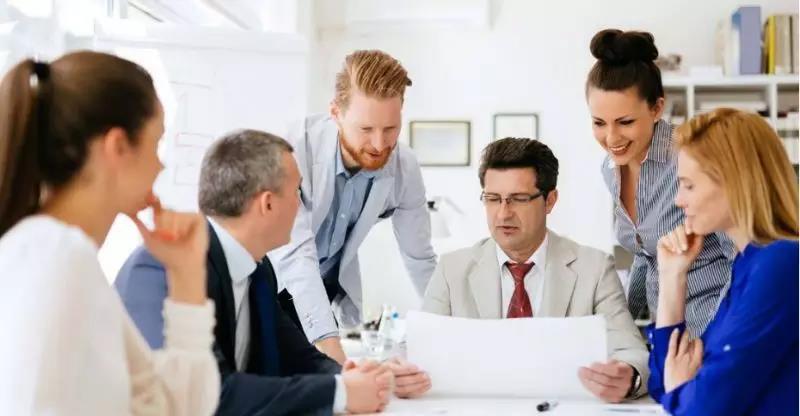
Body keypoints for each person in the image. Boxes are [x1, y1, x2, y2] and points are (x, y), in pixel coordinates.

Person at [117, 130, 430, 415]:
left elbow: (297, 356)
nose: (301, 206)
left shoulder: (259, 269)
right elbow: (208, 394)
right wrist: (341, 392)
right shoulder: (160, 268)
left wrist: (364, 376)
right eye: (297, 192)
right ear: (267, 204)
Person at [0, 51, 219, 414]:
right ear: (118, 146)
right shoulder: (57, 256)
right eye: (156, 143)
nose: (160, 165)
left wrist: (186, 273)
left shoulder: (61, 255)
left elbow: (172, 406)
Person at [423, 138, 649, 402]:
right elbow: (421, 351)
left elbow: (633, 352)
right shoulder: (451, 270)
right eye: (493, 199)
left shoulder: (594, 269)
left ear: (549, 201)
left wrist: (629, 376)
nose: (503, 214)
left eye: (518, 199)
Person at [271, 49, 437, 363]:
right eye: (366, 129)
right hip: (275, 281)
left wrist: (451, 327)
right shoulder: (292, 149)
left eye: (391, 129)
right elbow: (296, 256)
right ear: (336, 113)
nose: (379, 144)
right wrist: (333, 352)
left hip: (325, 288)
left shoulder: (404, 167)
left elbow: (420, 258)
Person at [647, 108, 798, 415]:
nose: (678, 200)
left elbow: (706, 407)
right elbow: (665, 383)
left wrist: (681, 389)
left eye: (689, 185)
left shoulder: (782, 264)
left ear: (735, 182)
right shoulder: (748, 265)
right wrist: (672, 276)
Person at [585, 29, 734, 336]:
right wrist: (621, 329)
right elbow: (645, 256)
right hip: (667, 327)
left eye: (625, 122)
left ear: (656, 108)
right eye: (599, 123)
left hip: (715, 328)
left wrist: (717, 335)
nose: (611, 138)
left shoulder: (691, 157)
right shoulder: (610, 169)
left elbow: (742, 258)